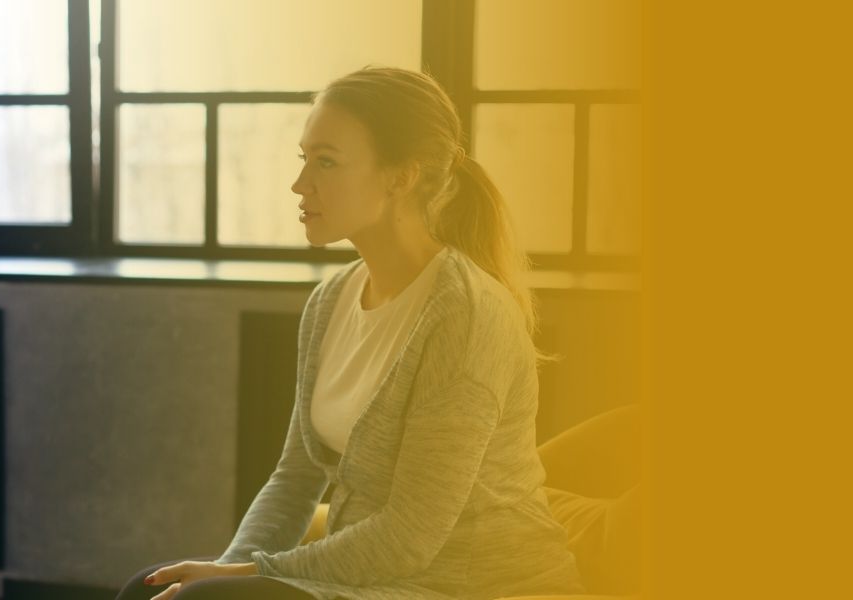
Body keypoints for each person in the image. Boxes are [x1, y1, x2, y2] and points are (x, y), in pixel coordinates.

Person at [115, 67, 582, 600]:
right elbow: (293, 481)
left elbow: (409, 537)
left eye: (327, 162)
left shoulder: (466, 316)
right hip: (378, 579)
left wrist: (244, 578)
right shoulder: (330, 301)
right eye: (304, 158)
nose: (300, 184)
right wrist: (225, 567)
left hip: (470, 586)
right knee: (147, 591)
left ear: (400, 176)